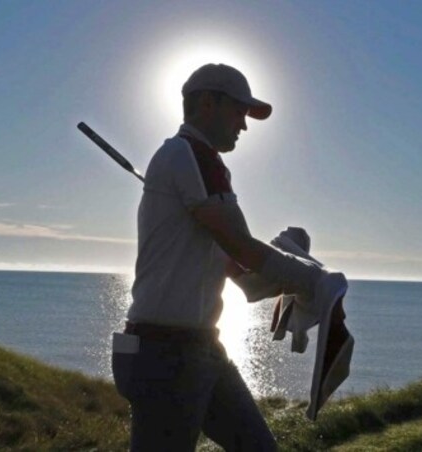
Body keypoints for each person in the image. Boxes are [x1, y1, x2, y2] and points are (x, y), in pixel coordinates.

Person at [112, 63, 339, 451]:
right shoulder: (193, 155)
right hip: (167, 356)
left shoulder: (195, 165)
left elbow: (239, 269)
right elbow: (243, 247)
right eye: (239, 112)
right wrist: (314, 280)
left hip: (200, 350)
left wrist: (289, 262)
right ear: (207, 104)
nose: (244, 126)